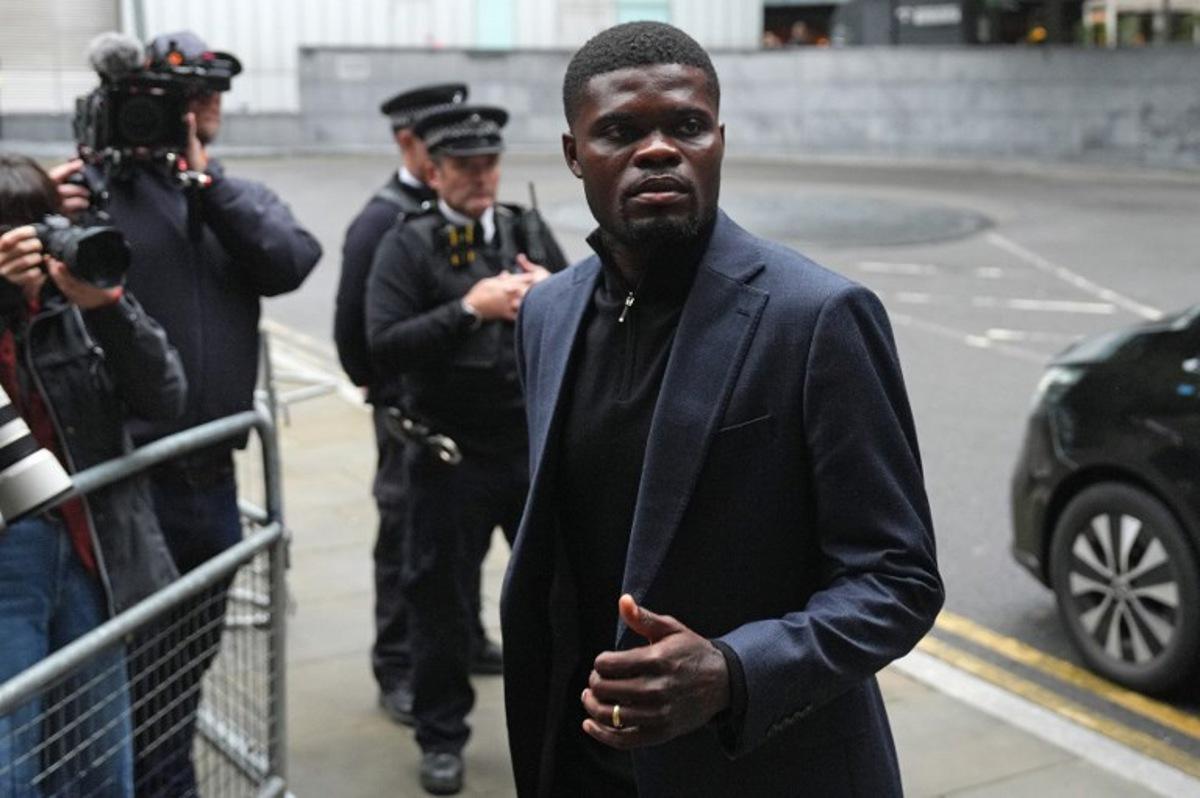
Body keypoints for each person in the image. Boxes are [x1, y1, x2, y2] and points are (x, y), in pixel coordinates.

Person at [501, 21, 944, 797]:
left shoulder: (817, 317)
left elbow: (898, 579)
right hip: (586, 767)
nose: (659, 150)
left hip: (766, 770)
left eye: (686, 126)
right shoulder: (547, 315)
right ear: (574, 155)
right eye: (620, 131)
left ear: (718, 140)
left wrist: (732, 672)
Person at [69, 30, 322, 795]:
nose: (204, 107)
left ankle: (167, 781)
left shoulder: (225, 196)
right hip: (121, 484)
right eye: (186, 95)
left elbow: (291, 260)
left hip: (209, 483)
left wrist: (206, 189)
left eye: (213, 95)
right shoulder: (92, 192)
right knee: (114, 670)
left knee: (186, 666)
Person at [366, 105, 566, 795]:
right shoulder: (408, 242)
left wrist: (552, 295)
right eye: (464, 167)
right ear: (435, 170)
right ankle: (442, 736)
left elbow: (590, 309)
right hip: (449, 458)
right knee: (439, 604)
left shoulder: (523, 226)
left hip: (527, 450)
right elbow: (381, 346)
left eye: (489, 164)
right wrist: (468, 310)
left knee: (555, 597)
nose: (480, 178)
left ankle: (562, 730)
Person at [0, 154, 186, 797]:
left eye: (42, 224)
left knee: (102, 761)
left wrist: (106, 306)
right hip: (9, 557)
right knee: (11, 763)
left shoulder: (75, 303)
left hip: (87, 545)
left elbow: (166, 396)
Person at [335, 82, 507, 728]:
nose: (475, 170)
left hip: (488, 429)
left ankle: (468, 640)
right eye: (450, 150)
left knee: (456, 553)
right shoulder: (387, 222)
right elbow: (358, 327)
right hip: (413, 413)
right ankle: (400, 665)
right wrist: (384, 392)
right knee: (410, 552)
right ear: (417, 147)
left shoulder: (498, 217)